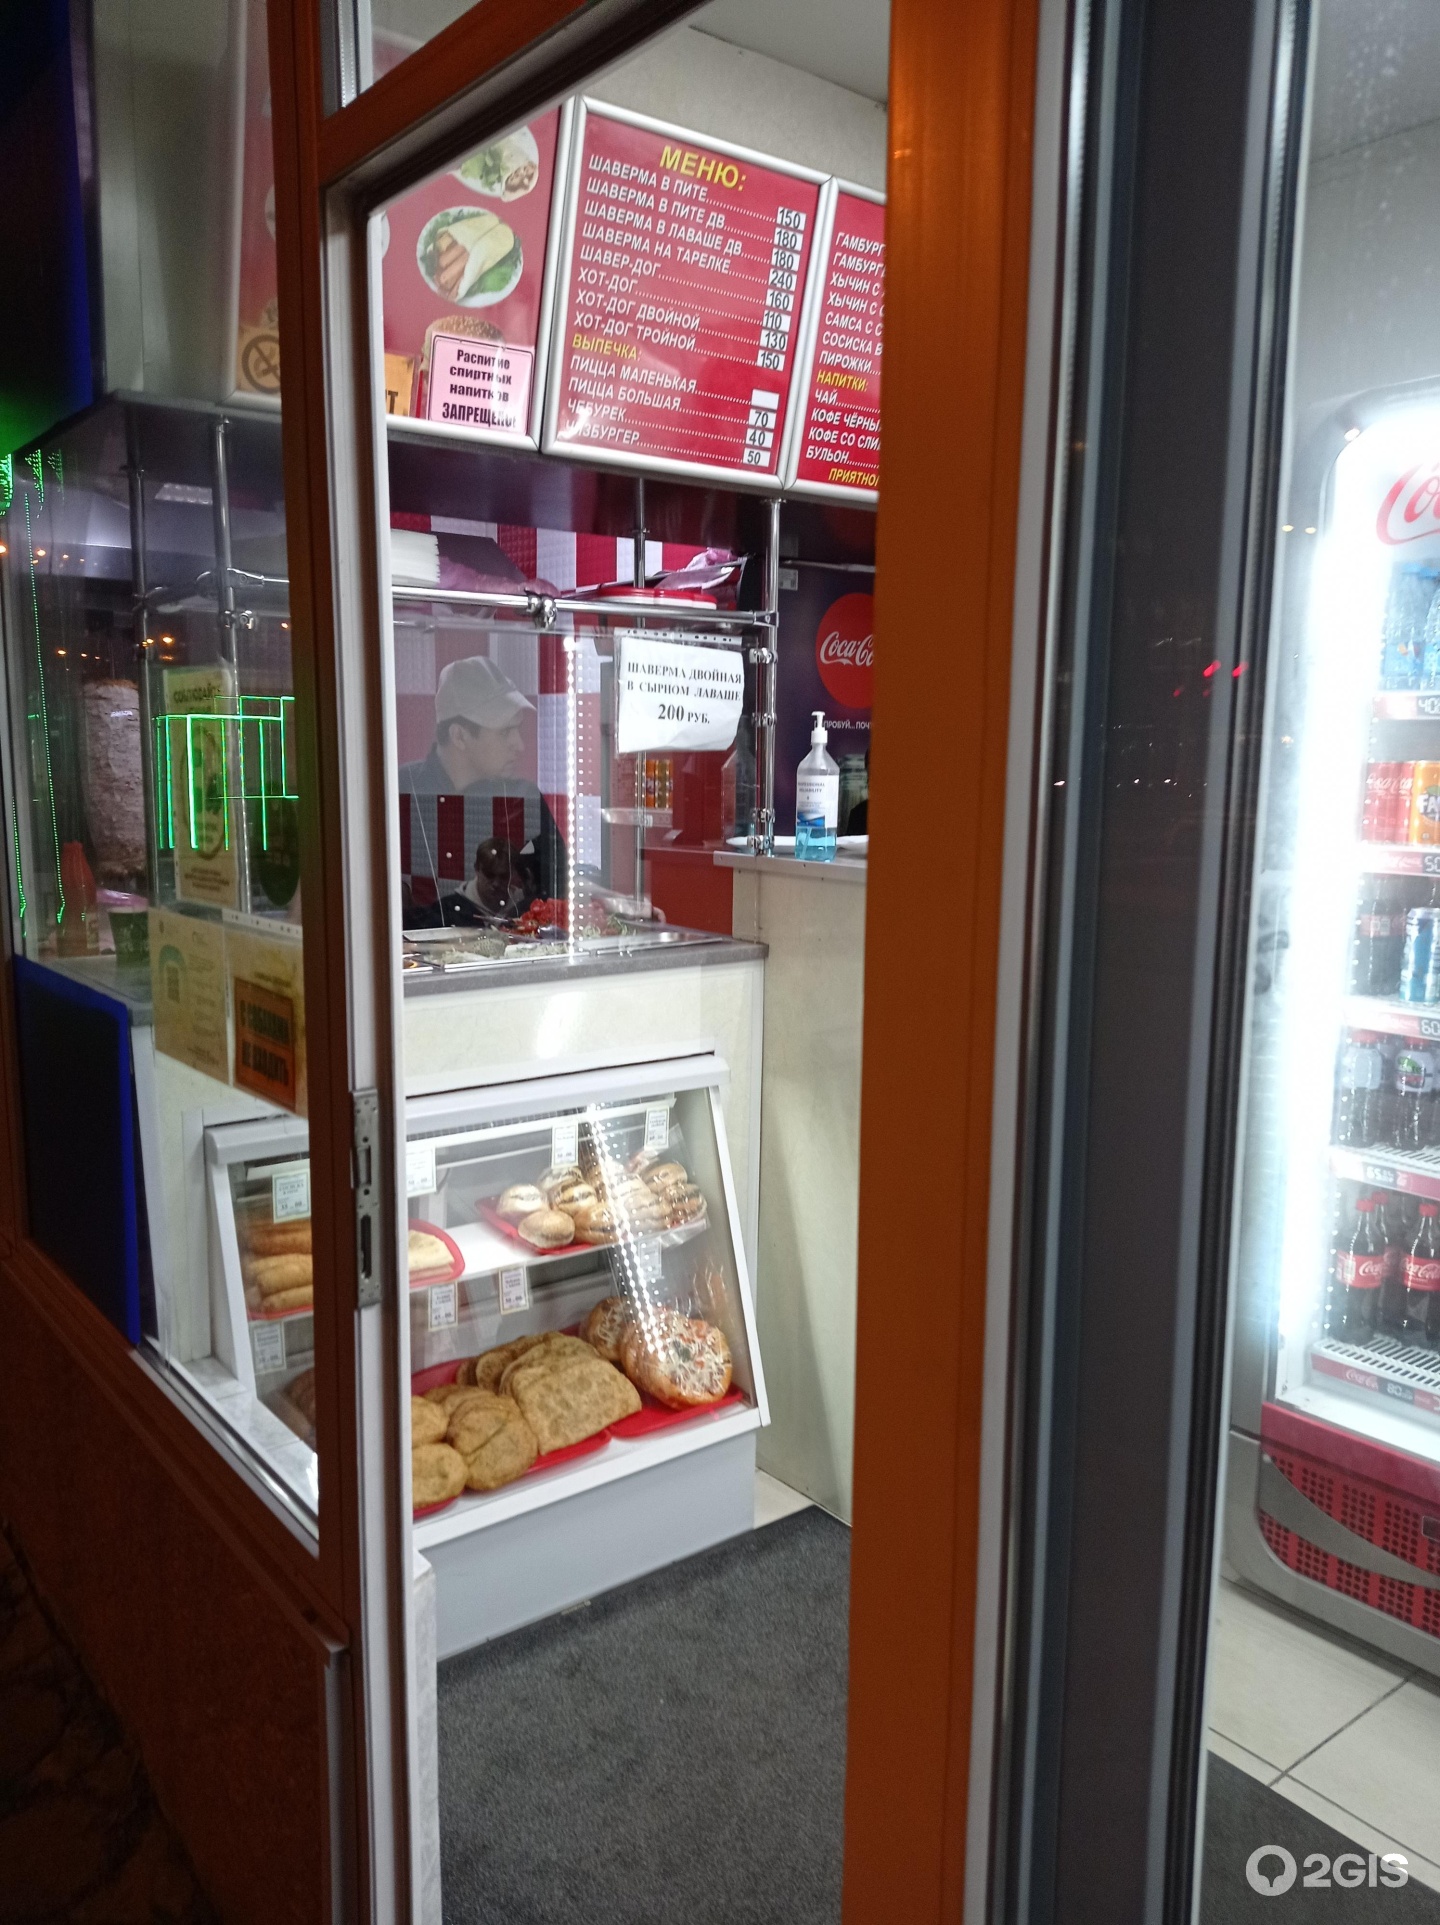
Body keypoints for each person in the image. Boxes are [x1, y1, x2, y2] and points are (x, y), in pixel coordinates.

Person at [398, 656, 564, 924]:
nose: (519, 745)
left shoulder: (523, 798)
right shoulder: (398, 791)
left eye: (517, 730)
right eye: (505, 732)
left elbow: (558, 890)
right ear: (459, 736)